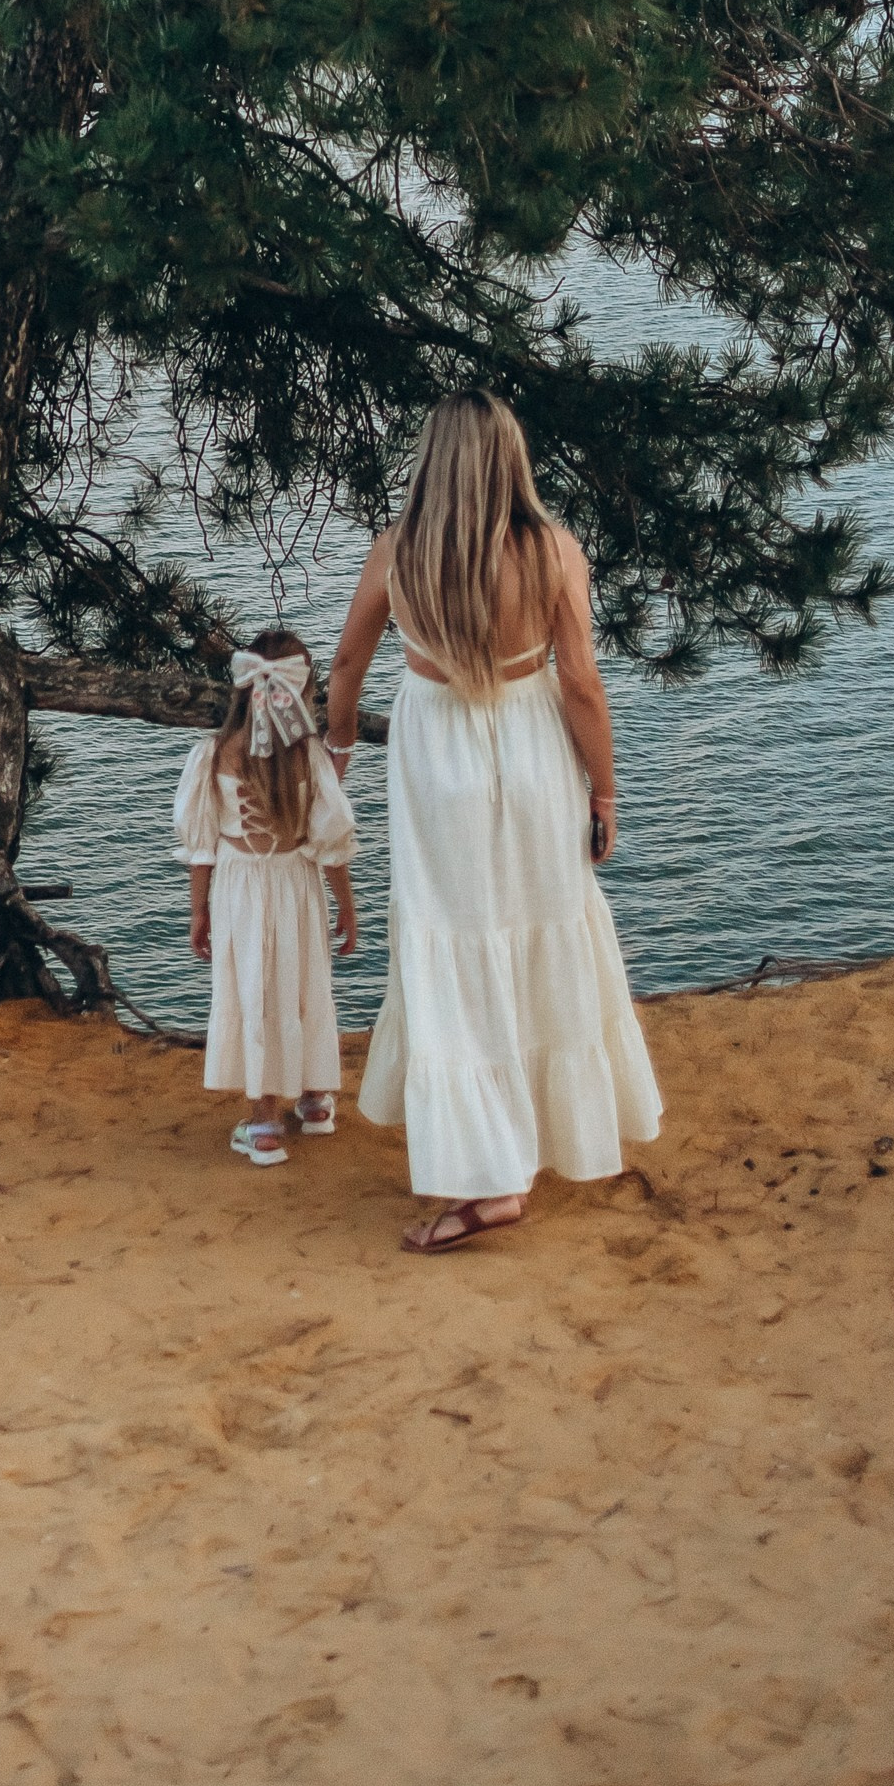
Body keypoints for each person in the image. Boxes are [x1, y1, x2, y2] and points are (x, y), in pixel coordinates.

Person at [325, 394, 662, 1252]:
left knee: (457, 943)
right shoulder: (552, 551)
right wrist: (606, 790)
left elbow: (348, 661)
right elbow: (581, 681)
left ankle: (489, 1177)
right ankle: (544, 1142)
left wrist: (338, 749)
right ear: (512, 458)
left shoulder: (399, 551)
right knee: (542, 928)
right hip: (534, 745)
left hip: (436, 758)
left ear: (432, 458)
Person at [174, 632, 360, 1167]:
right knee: (303, 984)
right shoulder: (310, 757)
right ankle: (314, 1101)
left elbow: (202, 846)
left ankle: (263, 1124)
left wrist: (198, 910)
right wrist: (346, 903)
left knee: (253, 990)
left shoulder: (213, 756)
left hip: (240, 887)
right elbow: (331, 842)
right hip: (297, 883)